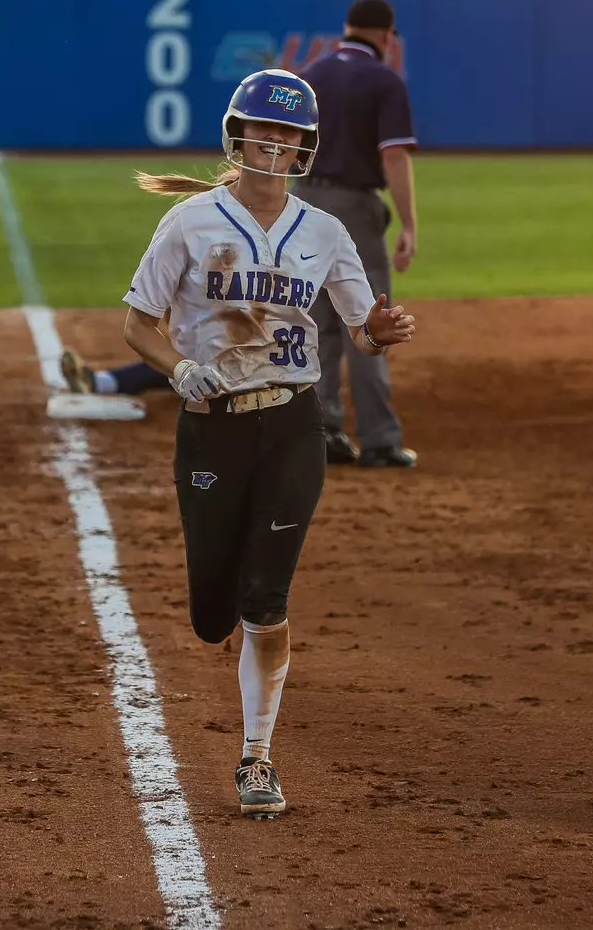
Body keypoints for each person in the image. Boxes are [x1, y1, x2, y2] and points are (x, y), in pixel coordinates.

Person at [119, 68, 417, 817]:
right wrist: (180, 368)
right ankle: (224, 621)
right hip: (210, 431)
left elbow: (360, 330)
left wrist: (378, 333)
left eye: (289, 135)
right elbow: (136, 325)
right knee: (211, 612)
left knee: (265, 597)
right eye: (264, 131)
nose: (274, 146)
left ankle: (257, 758)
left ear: (305, 146)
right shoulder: (190, 221)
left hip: (293, 425)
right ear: (238, 135)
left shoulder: (324, 233)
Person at [294, 0, 419, 469]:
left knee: (318, 321)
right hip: (354, 205)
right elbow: (393, 155)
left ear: (346, 28)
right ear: (387, 37)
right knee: (369, 321)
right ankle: (380, 441)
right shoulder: (385, 80)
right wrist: (407, 222)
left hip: (302, 199)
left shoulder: (311, 74)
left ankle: (321, 432)